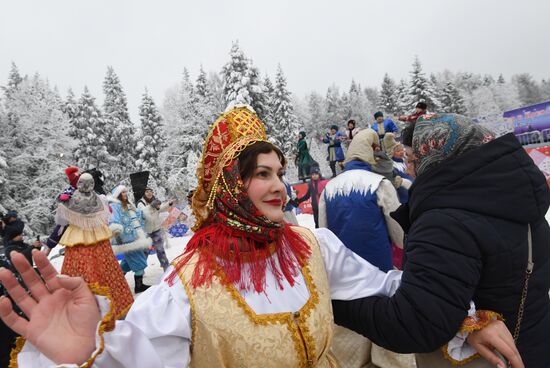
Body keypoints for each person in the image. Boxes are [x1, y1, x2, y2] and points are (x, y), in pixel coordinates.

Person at [0, 107, 522, 368]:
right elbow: (131, 354)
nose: (278, 186)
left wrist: (465, 317)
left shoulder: (312, 246)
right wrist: (80, 351)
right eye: (260, 175)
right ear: (229, 188)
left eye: (278, 171)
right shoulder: (189, 282)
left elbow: (387, 290)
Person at [332, 113, 548, 367]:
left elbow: (415, 323)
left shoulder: (444, 221)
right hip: (535, 344)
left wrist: (330, 303)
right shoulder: (514, 198)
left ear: (437, 157)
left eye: (412, 159)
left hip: (493, 358)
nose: (409, 167)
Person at [319, 129, 404, 272]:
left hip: (343, 272)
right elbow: (398, 232)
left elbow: (324, 233)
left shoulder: (328, 189)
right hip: (378, 271)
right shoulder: (380, 184)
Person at [55, 173, 134, 318]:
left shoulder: (70, 201)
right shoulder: (100, 200)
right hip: (98, 238)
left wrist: (64, 203)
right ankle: (113, 306)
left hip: (78, 238)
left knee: (82, 270)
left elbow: (61, 221)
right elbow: (106, 217)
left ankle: (83, 310)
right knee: (105, 269)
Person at [109, 185, 152, 294]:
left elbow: (138, 215)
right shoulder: (115, 206)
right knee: (139, 261)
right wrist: (117, 232)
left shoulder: (128, 204)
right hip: (127, 239)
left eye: (125, 192)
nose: (125, 194)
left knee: (126, 264)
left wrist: (145, 209)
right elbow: (114, 220)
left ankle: (115, 284)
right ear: (118, 195)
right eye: (123, 192)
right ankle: (139, 286)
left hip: (134, 237)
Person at [141, 197, 174, 271]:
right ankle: (140, 270)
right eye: (158, 205)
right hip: (147, 233)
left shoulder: (157, 209)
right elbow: (142, 218)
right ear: (154, 205)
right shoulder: (144, 210)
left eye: (159, 205)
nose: (159, 206)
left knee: (160, 250)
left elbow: (163, 208)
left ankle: (166, 266)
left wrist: (169, 204)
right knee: (145, 252)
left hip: (156, 231)